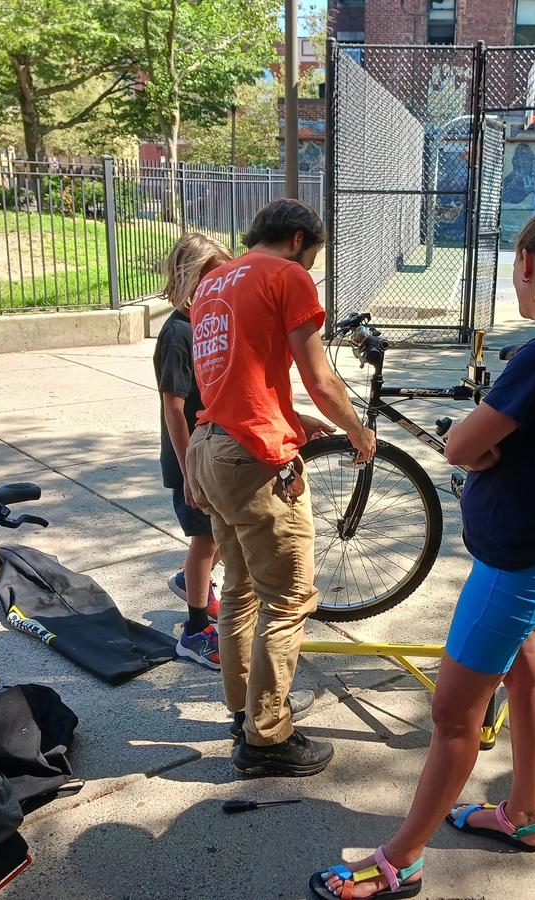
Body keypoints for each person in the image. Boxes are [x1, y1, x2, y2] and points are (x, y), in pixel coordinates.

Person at [310, 201, 535, 899]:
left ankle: (401, 860)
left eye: (516, 266)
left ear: (529, 264)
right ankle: (522, 816)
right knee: (526, 675)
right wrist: (489, 448)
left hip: (516, 565)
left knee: (453, 716)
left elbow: (459, 446)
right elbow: (505, 444)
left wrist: (476, 447)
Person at [185, 199, 376, 777]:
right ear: (298, 239)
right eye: (314, 256)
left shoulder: (213, 283)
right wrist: (357, 430)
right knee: (289, 601)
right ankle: (267, 739)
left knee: (239, 592)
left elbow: (237, 381)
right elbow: (320, 377)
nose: (311, 267)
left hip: (210, 448)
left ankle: (243, 713)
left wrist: (290, 420)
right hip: (255, 460)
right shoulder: (286, 276)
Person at [154, 234, 228, 668]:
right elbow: (174, 408)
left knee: (221, 532)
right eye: (212, 277)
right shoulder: (177, 333)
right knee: (206, 538)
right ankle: (195, 631)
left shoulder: (206, 323)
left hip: (211, 450)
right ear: (190, 279)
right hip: (190, 457)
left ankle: (190, 580)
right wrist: (188, 473)